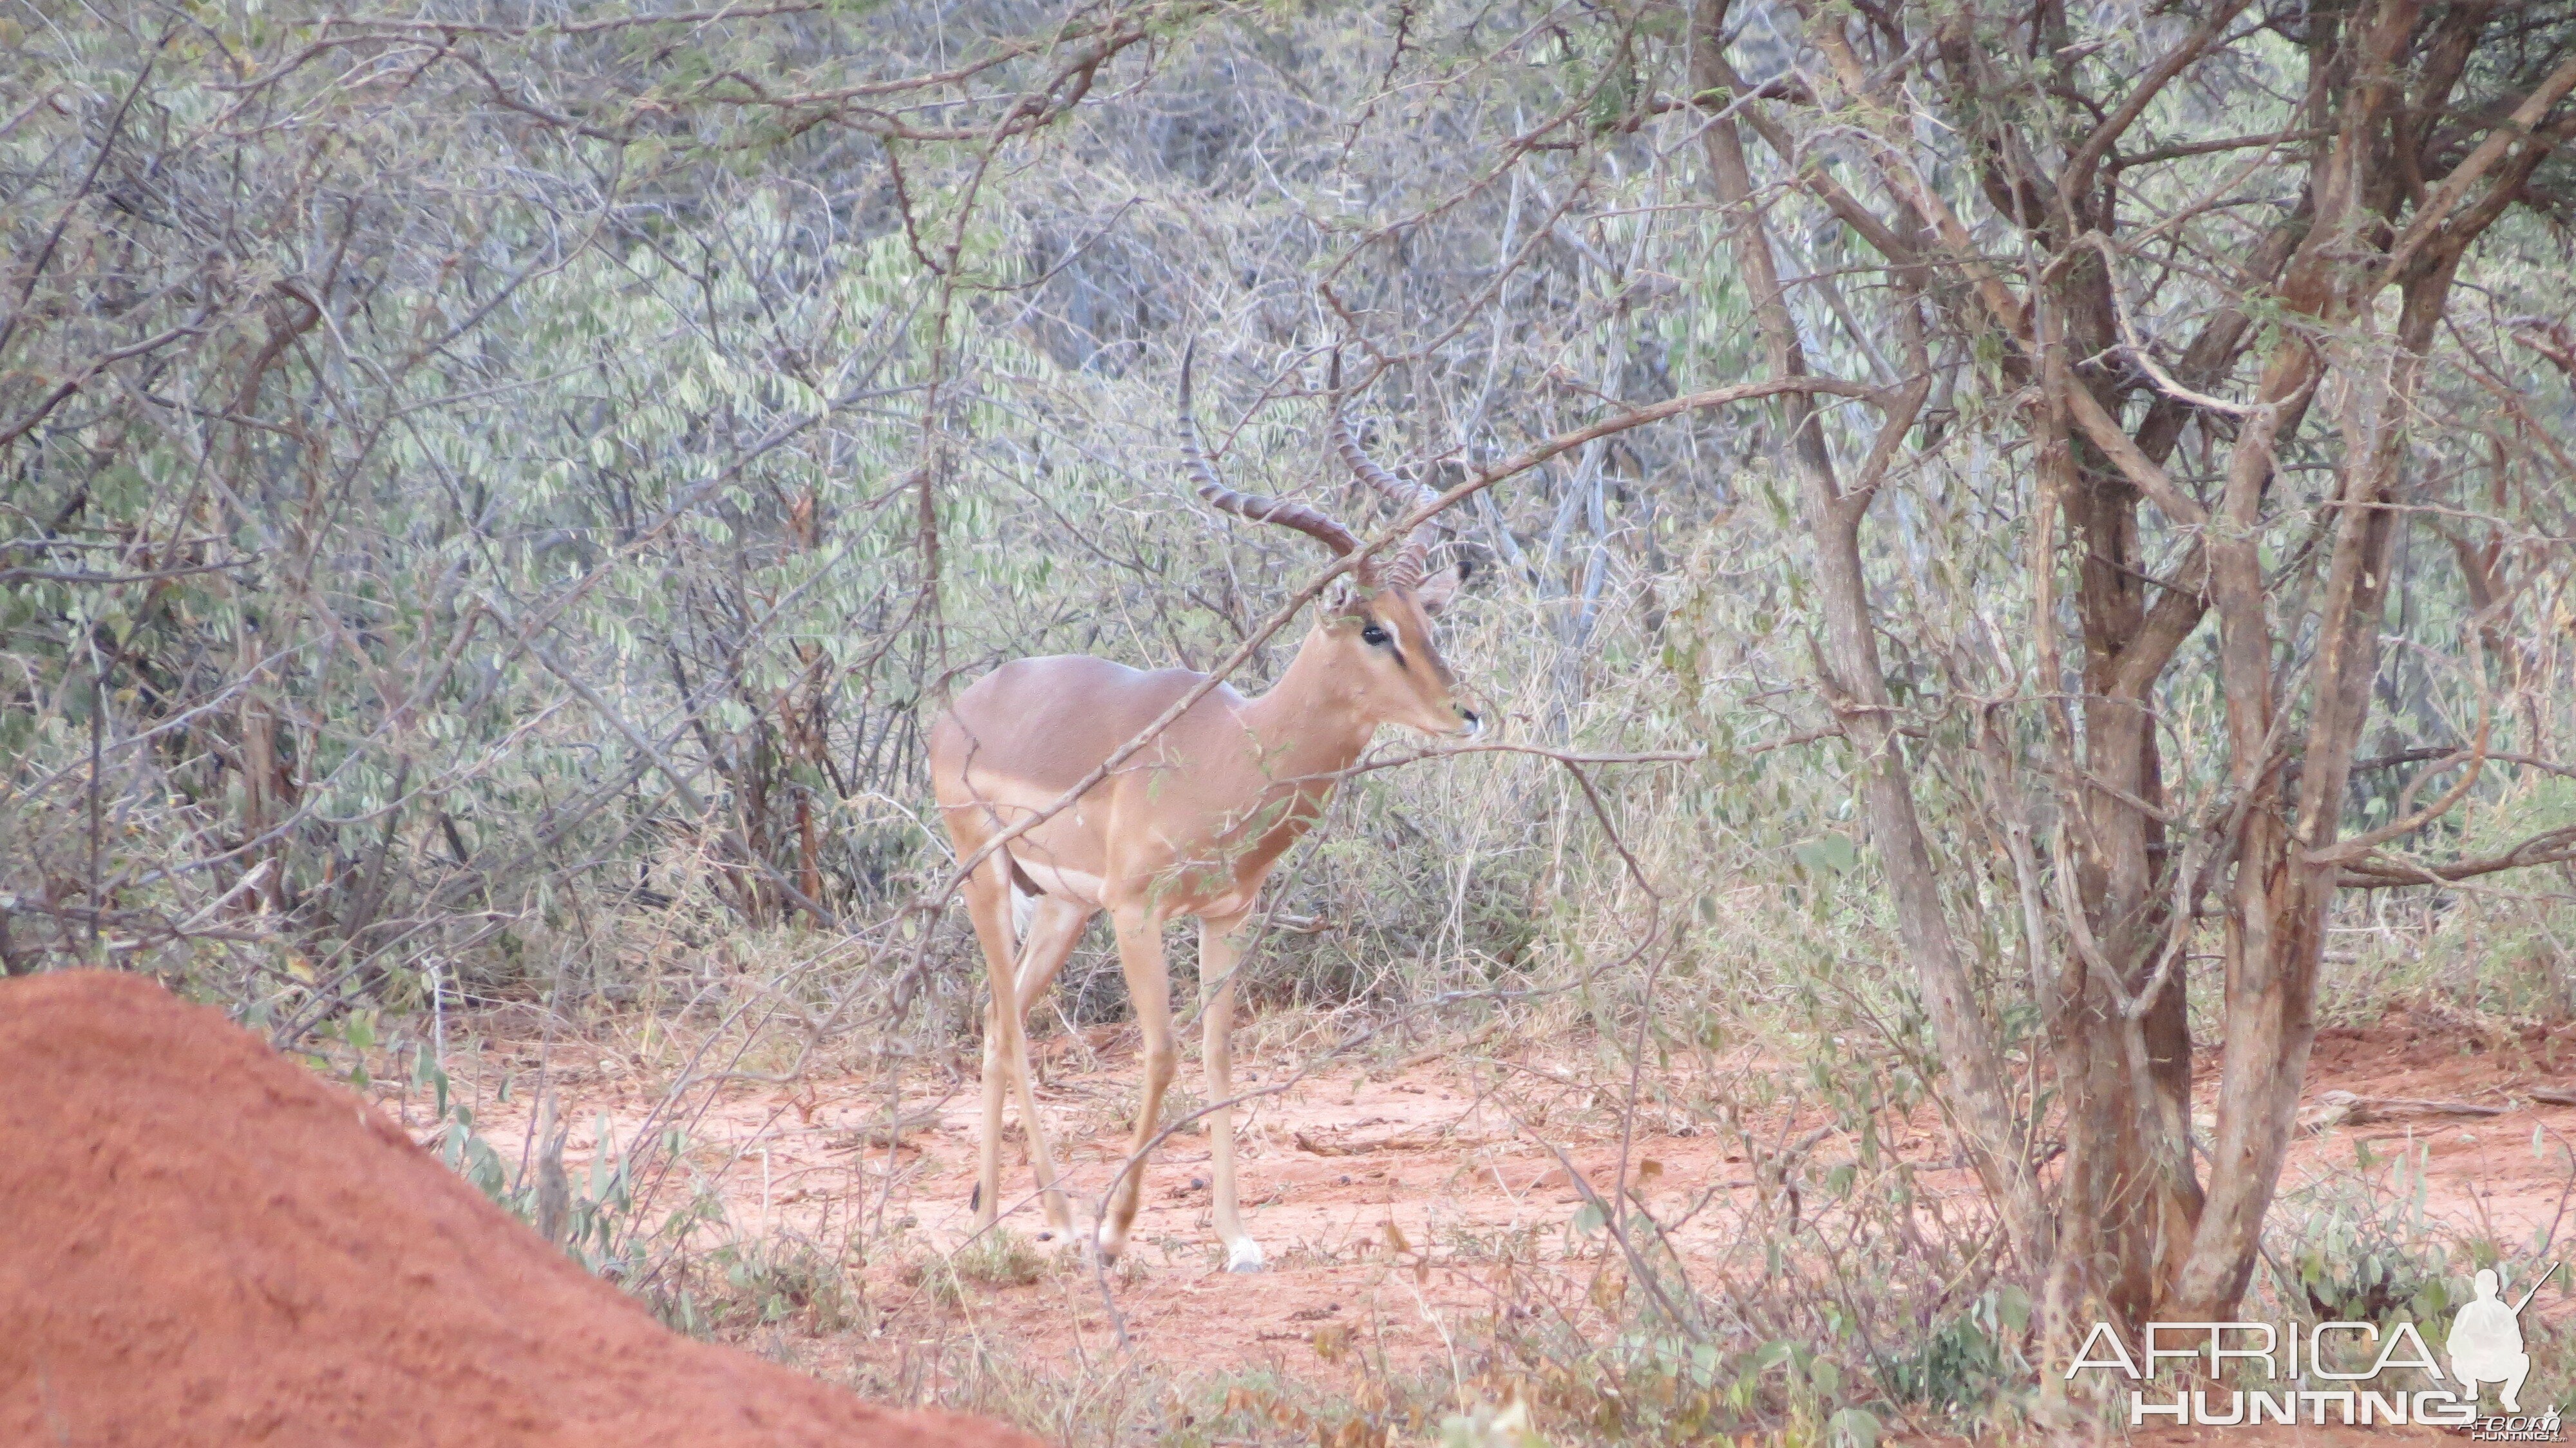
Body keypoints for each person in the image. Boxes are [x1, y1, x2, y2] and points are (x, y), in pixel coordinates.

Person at [2448, 1268, 2532, 1413]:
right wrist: (2472, 1347)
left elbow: (2518, 1346)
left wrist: (2500, 1345)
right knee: (2456, 1359)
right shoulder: (2467, 1311)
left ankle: (2509, 1397)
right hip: (2471, 1366)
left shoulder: (2504, 1312)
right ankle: (2471, 1386)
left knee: (2523, 1360)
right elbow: (2452, 1345)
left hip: (2496, 1366)